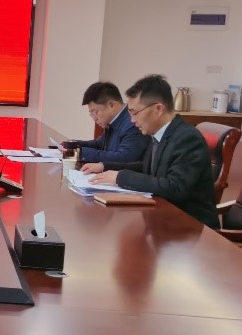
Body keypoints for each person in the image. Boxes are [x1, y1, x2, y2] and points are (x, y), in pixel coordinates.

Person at [84, 74, 219, 228]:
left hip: (192, 228)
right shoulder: (161, 134)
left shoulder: (187, 138)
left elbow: (176, 188)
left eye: (135, 113)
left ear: (158, 109)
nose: (132, 120)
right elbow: (145, 168)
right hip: (165, 219)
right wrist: (105, 166)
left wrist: (121, 177)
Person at [62, 81, 149, 164]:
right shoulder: (115, 121)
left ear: (111, 105)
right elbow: (100, 144)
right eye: (91, 113)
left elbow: (124, 158)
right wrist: (73, 145)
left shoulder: (133, 124)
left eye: (95, 112)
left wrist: (81, 153)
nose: (94, 118)